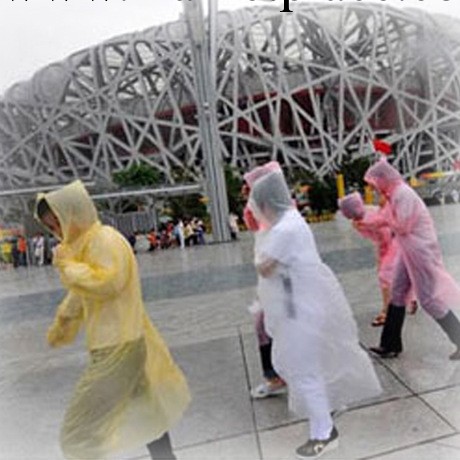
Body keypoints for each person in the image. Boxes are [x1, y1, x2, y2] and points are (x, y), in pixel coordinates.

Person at [35, 180, 190, 460]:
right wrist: (63, 324)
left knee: (78, 432)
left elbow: (107, 283)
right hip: (123, 342)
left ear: (72, 212)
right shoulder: (86, 245)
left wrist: (67, 267)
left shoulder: (104, 240)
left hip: (117, 346)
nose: (57, 232)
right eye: (51, 227)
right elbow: (81, 296)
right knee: (148, 415)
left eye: (57, 223)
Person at [245, 162, 382, 458]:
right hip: (305, 304)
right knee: (308, 367)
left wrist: (260, 252)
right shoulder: (293, 218)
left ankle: (323, 433)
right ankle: (325, 419)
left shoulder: (283, 229)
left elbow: (264, 267)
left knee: (304, 370)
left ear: (267, 203)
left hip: (298, 310)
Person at [364, 158, 460, 360]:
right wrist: (365, 219)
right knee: (397, 292)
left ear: (384, 178)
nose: (375, 188)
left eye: (375, 183)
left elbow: (403, 225)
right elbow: (386, 219)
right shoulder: (394, 194)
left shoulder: (402, 194)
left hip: (420, 251)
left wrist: (385, 220)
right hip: (407, 250)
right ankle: (389, 344)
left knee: (429, 299)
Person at [338, 191, 417, 327]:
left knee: (385, 276)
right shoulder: (364, 216)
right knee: (391, 275)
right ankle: (409, 299)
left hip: (393, 243)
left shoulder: (366, 219)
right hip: (386, 245)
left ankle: (387, 311)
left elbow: (384, 229)